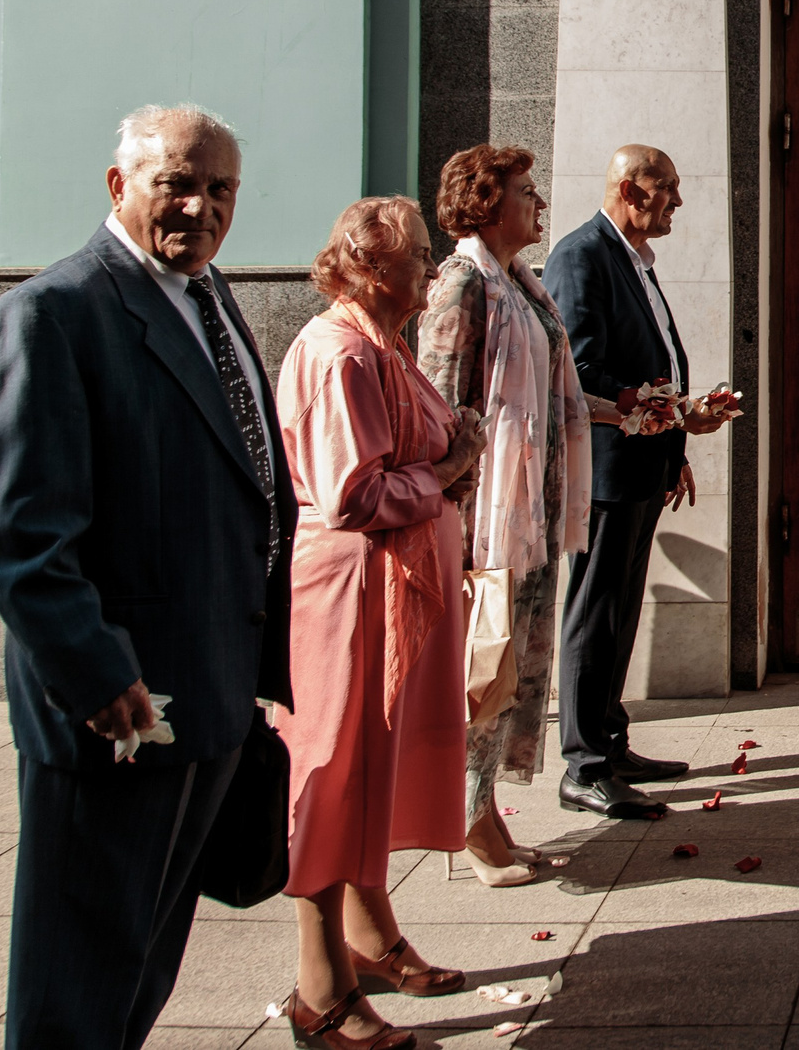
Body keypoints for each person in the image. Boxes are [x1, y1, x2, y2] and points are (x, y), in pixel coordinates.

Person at [0, 103, 295, 1050]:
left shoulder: (206, 295)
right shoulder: (54, 313)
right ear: (120, 185)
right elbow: (22, 531)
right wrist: (95, 670)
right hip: (122, 707)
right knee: (77, 983)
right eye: (177, 184)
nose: (202, 206)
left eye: (221, 188)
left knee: (140, 967)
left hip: (209, 689)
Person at [273, 196, 487, 1049]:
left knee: (367, 775)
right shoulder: (341, 353)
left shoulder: (384, 346)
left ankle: (370, 937)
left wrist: (450, 458)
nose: (432, 269)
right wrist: (449, 469)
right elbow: (353, 495)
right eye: (419, 255)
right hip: (347, 596)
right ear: (370, 267)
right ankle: (318, 990)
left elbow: (416, 458)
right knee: (334, 777)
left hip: (384, 586)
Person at [419, 143, 593, 885]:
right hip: (488, 513)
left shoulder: (519, 281)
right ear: (487, 202)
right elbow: (439, 398)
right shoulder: (464, 282)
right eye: (526, 190)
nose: (539, 202)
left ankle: (482, 809)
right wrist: (452, 512)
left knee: (510, 664)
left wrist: (634, 411)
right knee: (484, 666)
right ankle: (466, 822)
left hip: (531, 508)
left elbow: (553, 393)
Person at [544, 144, 728, 817]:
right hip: (606, 472)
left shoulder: (634, 259)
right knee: (593, 612)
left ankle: (611, 743)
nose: (677, 199)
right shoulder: (580, 257)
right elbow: (580, 374)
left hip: (642, 465)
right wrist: (671, 415)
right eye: (667, 187)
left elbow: (655, 361)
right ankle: (583, 765)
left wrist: (675, 443)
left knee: (618, 613)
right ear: (630, 189)